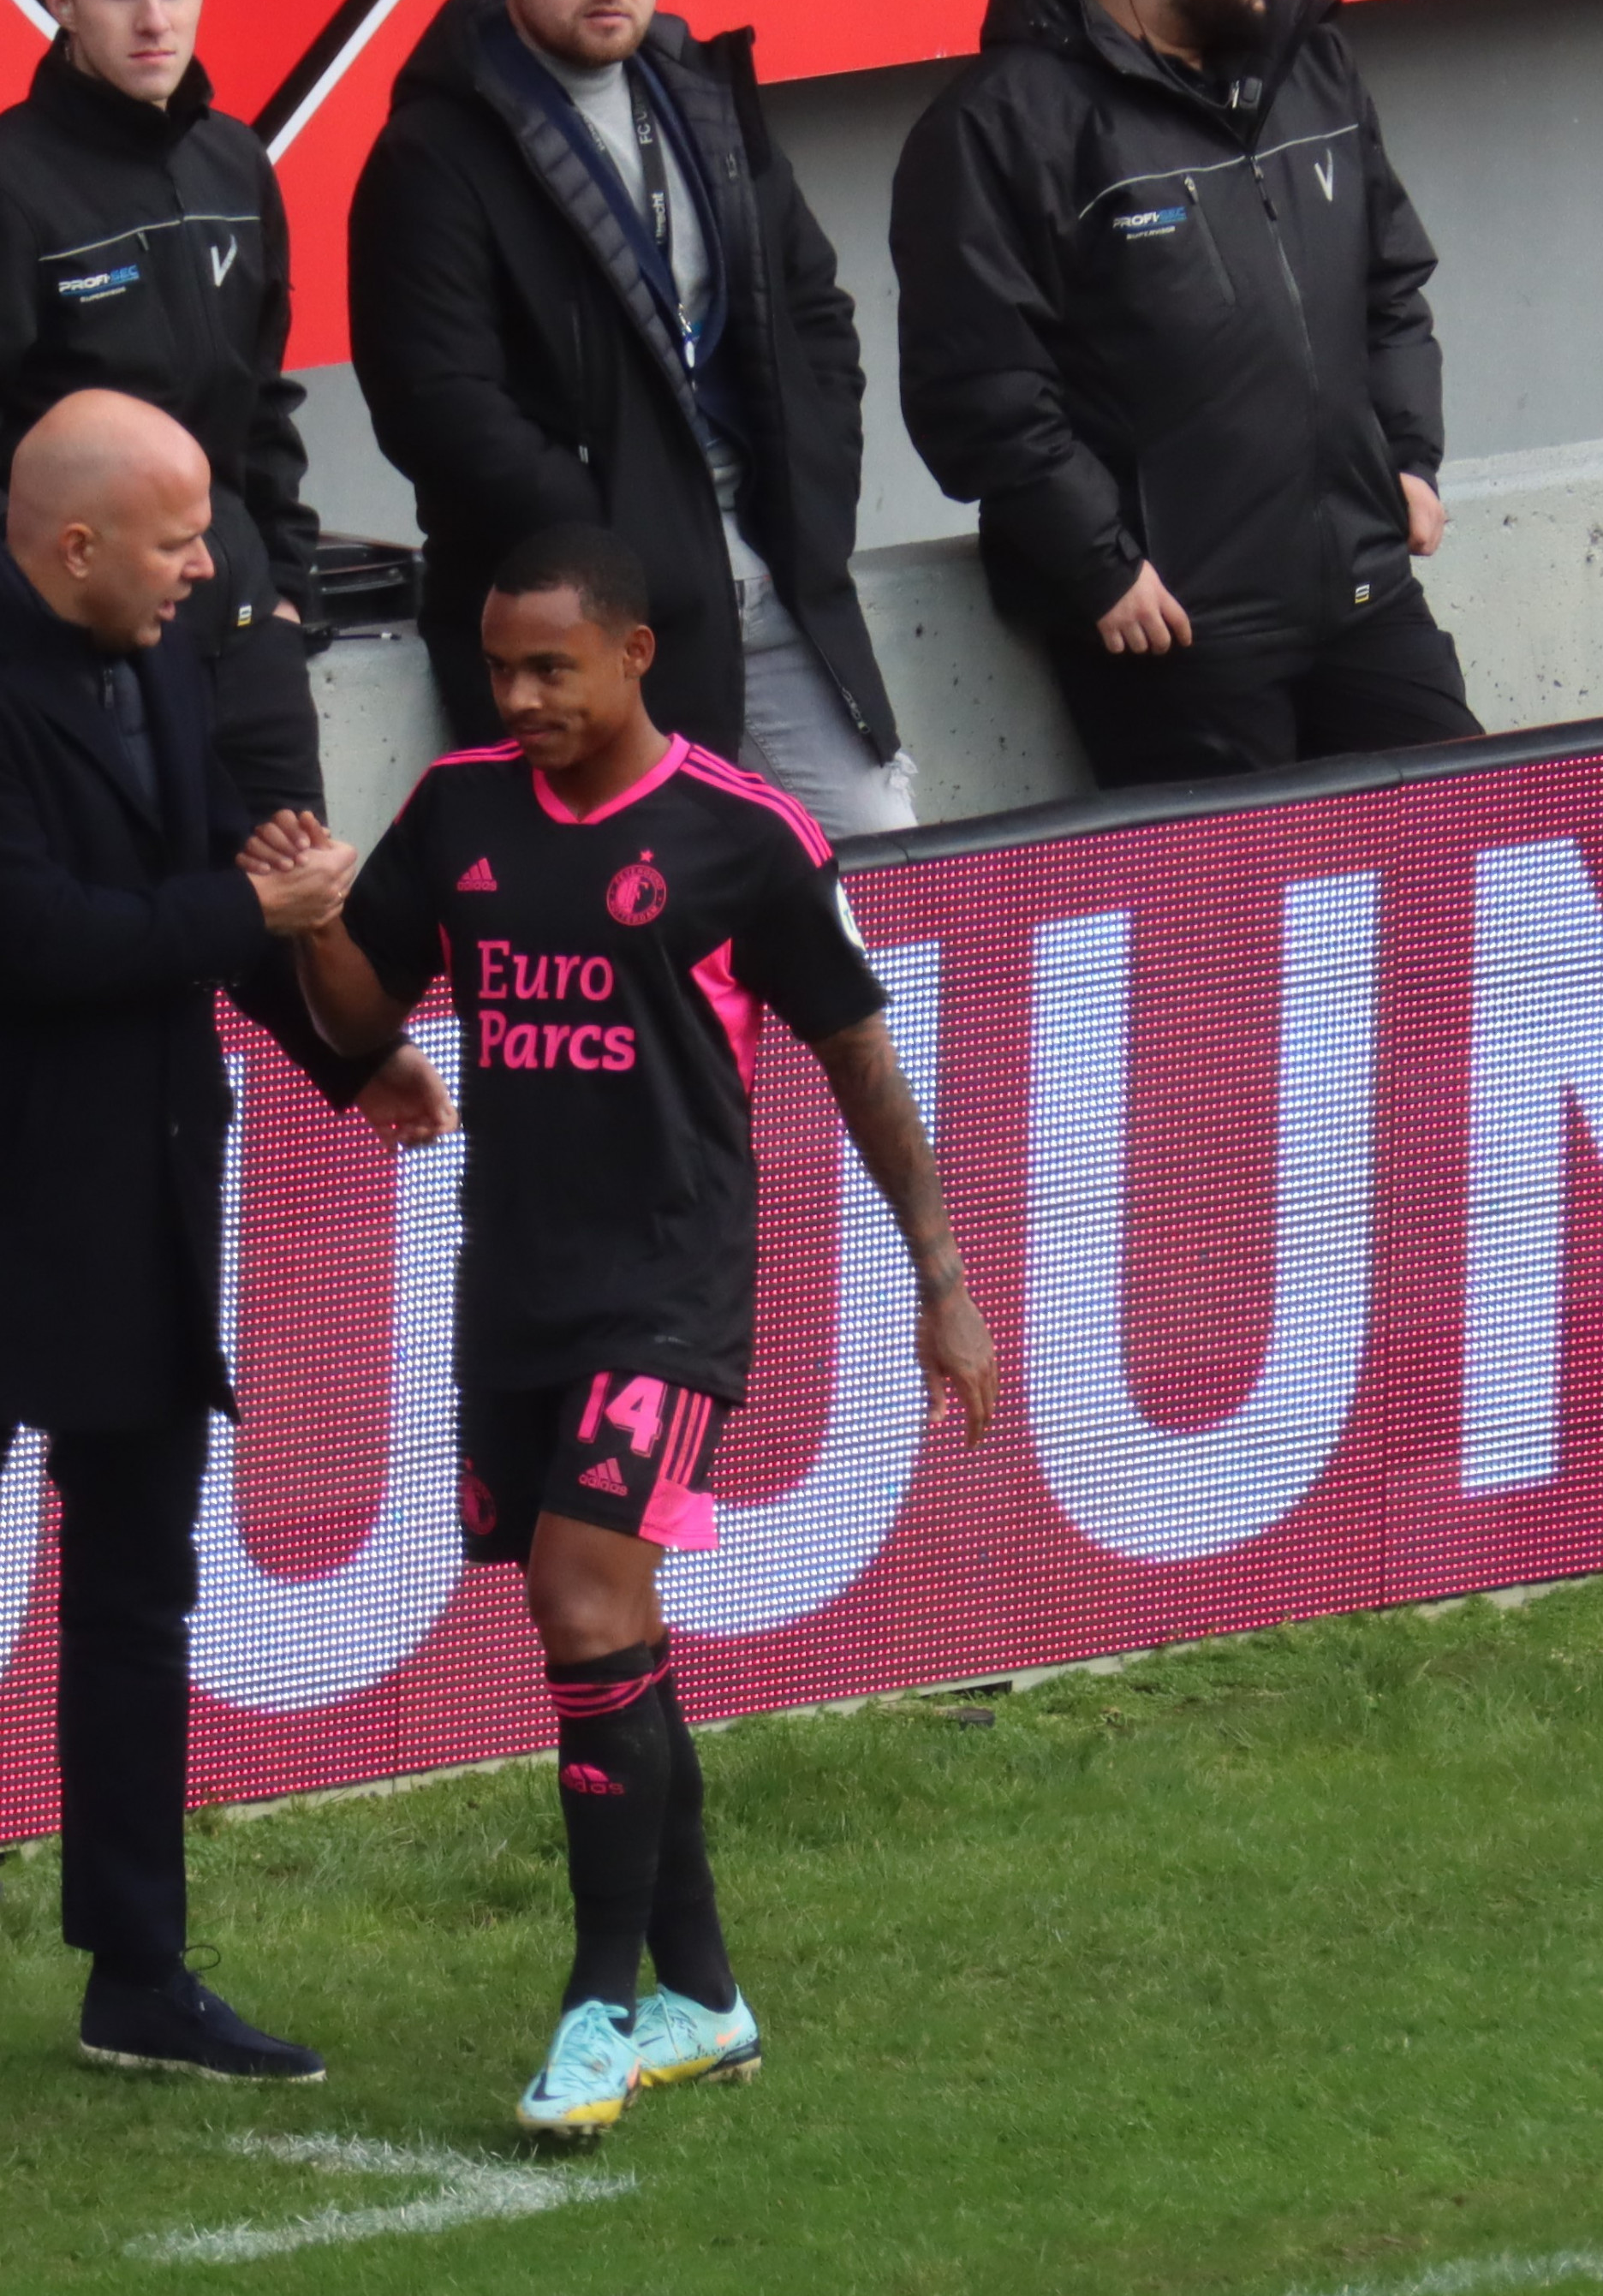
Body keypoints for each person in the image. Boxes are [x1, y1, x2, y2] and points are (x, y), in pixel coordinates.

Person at [0, 391, 456, 2147]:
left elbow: (212, 885)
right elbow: (40, 941)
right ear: (71, 545)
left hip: (137, 1204)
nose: (212, 567)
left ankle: (140, 1970)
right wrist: (255, 921)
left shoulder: (163, 656)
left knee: (138, 1600)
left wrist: (345, 1059)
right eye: (180, 538)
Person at [261, 521, 998, 2139]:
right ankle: (706, 1992)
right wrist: (317, 918)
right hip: (511, 1285)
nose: (517, 696)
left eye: (552, 669)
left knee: (580, 1586)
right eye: (499, 667)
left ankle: (598, 2011)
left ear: (636, 655)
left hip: (669, 1291)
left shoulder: (746, 839)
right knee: (600, 1632)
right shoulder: (456, 811)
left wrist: (942, 1284)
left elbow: (861, 1062)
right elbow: (362, 1018)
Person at [890, 0, 1480, 786]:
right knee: (1224, 928)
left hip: (1366, 592)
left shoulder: (1313, 63)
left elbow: (1391, 285)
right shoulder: (998, 128)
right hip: (1177, 635)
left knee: (1473, 849)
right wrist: (1101, 565)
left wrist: (1411, 458)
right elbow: (980, 388)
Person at [348, 0, 918, 843]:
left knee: (873, 867)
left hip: (770, 583)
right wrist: (616, 533)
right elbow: (435, 405)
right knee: (634, 923)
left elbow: (814, 312)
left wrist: (814, 490)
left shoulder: (698, 95)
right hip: (586, 623)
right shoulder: (433, 151)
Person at [0, 0, 327, 823]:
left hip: (248, 630)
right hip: (90, 656)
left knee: (296, 934)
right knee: (144, 950)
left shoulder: (237, 163)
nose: (154, 17)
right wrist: (33, 640)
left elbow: (262, 403)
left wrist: (287, 592)